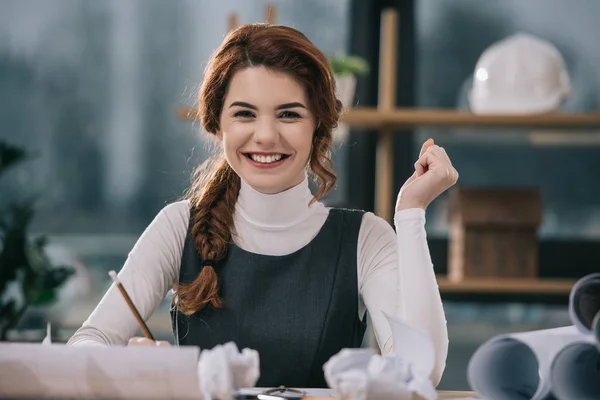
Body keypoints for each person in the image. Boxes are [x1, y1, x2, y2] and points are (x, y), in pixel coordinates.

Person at [67, 23, 458, 388]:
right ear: (217, 124)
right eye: (244, 114)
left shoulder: (365, 238)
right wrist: (125, 364)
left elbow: (421, 370)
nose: (266, 135)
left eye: (289, 114)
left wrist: (411, 214)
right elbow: (89, 340)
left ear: (318, 127)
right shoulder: (177, 226)